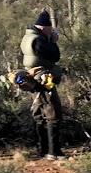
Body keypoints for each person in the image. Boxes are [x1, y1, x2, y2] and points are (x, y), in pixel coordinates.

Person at [20, 10, 65, 160]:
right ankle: (53, 151)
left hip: (33, 79)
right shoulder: (39, 40)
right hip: (43, 80)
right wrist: (52, 41)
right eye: (49, 28)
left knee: (39, 113)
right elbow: (55, 56)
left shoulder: (28, 37)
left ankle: (42, 149)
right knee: (53, 113)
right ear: (44, 27)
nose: (51, 31)